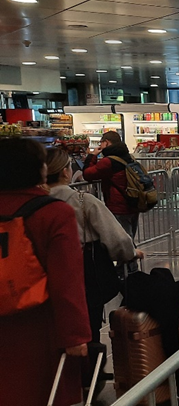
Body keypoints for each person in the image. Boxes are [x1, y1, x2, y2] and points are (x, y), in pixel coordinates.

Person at [0, 138, 90, 406]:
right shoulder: (53, 213)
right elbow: (67, 280)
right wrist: (76, 335)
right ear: (37, 169)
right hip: (40, 327)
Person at [47, 148, 143, 386]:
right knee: (88, 320)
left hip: (45, 275)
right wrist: (131, 253)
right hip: (86, 272)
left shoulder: (34, 205)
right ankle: (90, 375)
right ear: (65, 172)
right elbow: (117, 239)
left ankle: (62, 375)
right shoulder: (83, 201)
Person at [82, 130, 140, 239]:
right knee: (129, 237)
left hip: (118, 206)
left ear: (107, 142)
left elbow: (88, 174)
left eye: (101, 143)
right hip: (132, 202)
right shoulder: (128, 157)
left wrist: (92, 156)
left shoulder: (108, 161)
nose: (100, 145)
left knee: (122, 240)